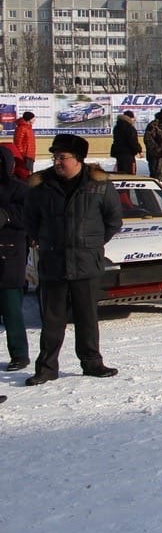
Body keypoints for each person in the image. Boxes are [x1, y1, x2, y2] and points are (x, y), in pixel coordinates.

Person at [22, 133, 123, 385]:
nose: (57, 162)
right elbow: (29, 219)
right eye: (55, 157)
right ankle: (46, 368)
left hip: (86, 263)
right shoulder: (41, 186)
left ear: (78, 159)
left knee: (87, 318)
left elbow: (113, 220)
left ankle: (92, 363)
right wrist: (43, 241)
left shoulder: (99, 185)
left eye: (62, 157)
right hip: (53, 263)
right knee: (52, 321)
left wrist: (92, 242)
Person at [0, 145, 30, 372]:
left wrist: (7, 215)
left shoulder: (19, 189)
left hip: (10, 256)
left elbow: (29, 215)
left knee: (12, 311)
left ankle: (19, 354)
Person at [108, 109, 142, 174]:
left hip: (119, 154)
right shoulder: (130, 128)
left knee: (120, 173)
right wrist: (139, 150)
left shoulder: (117, 127)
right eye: (133, 118)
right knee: (130, 174)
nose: (134, 120)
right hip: (128, 155)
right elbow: (133, 141)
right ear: (129, 118)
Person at [13, 110, 36, 174]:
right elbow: (17, 142)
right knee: (25, 173)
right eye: (33, 118)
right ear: (29, 119)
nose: (34, 119)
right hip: (25, 155)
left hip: (30, 155)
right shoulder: (21, 128)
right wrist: (21, 153)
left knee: (30, 173)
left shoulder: (29, 128)